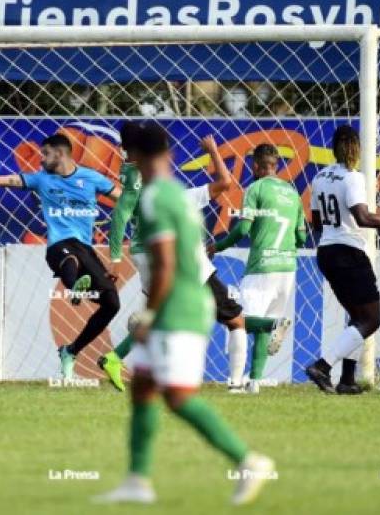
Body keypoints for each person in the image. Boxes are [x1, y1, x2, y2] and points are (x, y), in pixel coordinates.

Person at [94, 122, 273, 506]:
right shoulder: (175, 193)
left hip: (180, 306)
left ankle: (247, 461)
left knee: (176, 396)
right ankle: (137, 481)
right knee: (143, 386)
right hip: (184, 300)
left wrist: (149, 315)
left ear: (132, 157)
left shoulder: (156, 197)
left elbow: (167, 264)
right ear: (169, 153)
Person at [0, 133, 121, 379]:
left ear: (59, 154)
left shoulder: (91, 178)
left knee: (112, 304)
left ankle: (70, 351)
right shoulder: (41, 180)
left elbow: (123, 199)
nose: (41, 159)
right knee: (71, 259)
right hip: (58, 246)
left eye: (46, 154)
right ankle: (75, 286)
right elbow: (3, 180)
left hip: (85, 247)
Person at [100, 121, 247, 393]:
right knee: (234, 319)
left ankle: (117, 358)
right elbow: (226, 182)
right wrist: (214, 151)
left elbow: (124, 211)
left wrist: (119, 256)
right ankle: (236, 385)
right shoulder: (171, 194)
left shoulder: (142, 182)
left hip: (143, 253)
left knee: (163, 315)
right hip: (175, 259)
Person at [303, 125, 380, 394]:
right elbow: (364, 218)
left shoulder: (320, 178)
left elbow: (316, 223)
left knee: (357, 316)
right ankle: (322, 366)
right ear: (356, 149)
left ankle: (347, 381)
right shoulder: (353, 178)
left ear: (334, 148)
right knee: (371, 320)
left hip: (326, 252)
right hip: (348, 253)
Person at [209, 143, 306, 393]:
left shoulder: (255, 188)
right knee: (261, 323)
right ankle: (255, 383)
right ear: (276, 166)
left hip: (262, 267)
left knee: (237, 321)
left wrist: (217, 247)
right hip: (287, 268)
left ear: (255, 166)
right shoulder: (293, 193)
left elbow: (242, 229)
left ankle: (236, 383)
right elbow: (302, 237)